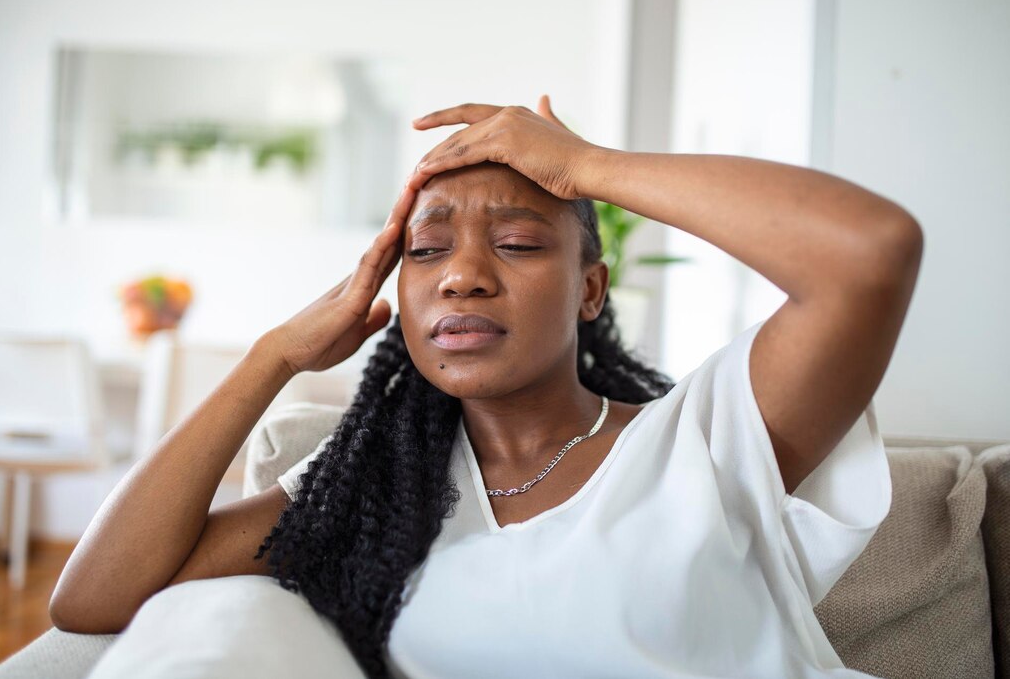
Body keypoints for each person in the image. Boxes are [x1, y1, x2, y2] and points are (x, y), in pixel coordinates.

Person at [49, 97, 923, 679]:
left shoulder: (708, 437)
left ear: (589, 288)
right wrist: (272, 356)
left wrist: (585, 166)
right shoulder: (372, 497)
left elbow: (869, 253)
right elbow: (92, 599)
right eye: (425, 253)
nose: (461, 277)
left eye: (517, 242)